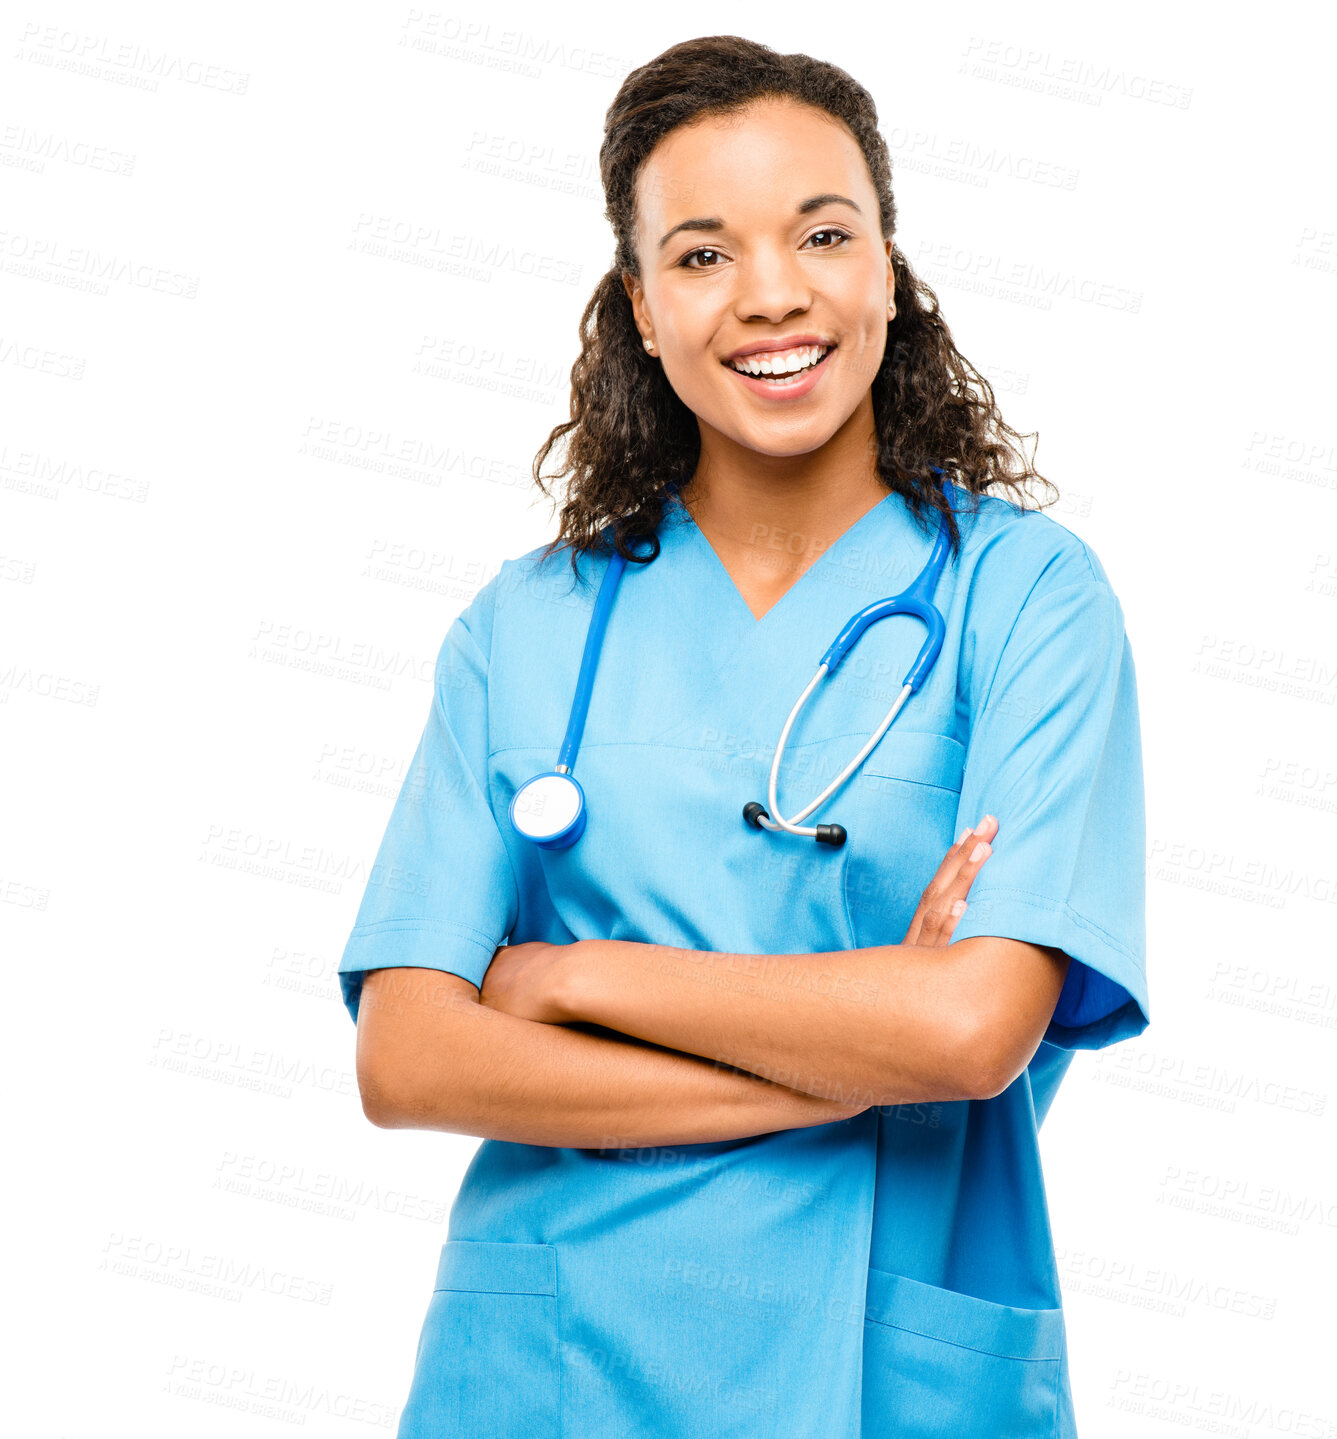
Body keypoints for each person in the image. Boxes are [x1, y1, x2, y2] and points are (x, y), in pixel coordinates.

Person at [337, 35, 1148, 1439]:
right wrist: (853, 1052)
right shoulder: (527, 628)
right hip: (548, 1367)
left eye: (822, 234)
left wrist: (573, 976)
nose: (773, 293)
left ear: (889, 267)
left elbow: (967, 1032)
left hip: (885, 1368)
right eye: (703, 255)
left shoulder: (1023, 599)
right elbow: (410, 1062)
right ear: (640, 310)